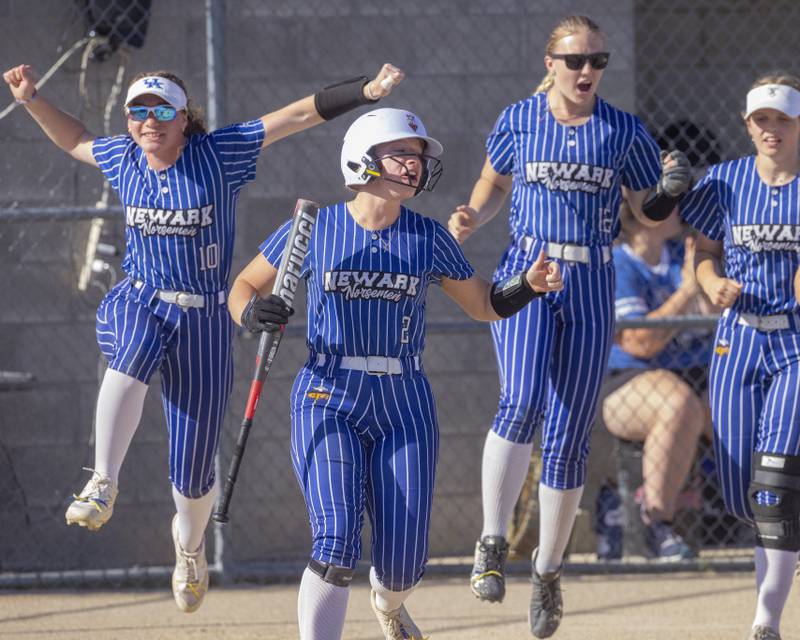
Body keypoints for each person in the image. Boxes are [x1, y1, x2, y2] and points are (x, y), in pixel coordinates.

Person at [2, 61, 403, 613]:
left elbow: (295, 114)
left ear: (184, 118)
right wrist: (31, 99)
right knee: (135, 348)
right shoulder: (123, 157)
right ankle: (102, 481)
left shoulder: (219, 154)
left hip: (205, 319)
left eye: (162, 110)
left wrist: (366, 90)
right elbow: (76, 139)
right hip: (139, 298)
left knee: (192, 474)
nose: (149, 121)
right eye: (138, 111)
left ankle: (188, 547)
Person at [228, 107, 564, 640]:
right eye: (402, 154)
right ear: (364, 158)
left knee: (404, 563)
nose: (414, 165)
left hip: (403, 399)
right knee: (336, 539)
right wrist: (250, 313)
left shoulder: (428, 237)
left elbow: (482, 304)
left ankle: (389, 606)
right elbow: (243, 286)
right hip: (328, 392)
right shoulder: (314, 226)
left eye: (418, 157)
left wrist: (528, 284)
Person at [447, 15, 690, 638]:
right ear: (551, 62)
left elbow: (646, 208)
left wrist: (669, 189)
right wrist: (473, 212)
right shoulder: (519, 119)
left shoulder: (623, 130)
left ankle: (549, 572)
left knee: (569, 433)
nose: (588, 72)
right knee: (522, 400)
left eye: (598, 61)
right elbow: (493, 180)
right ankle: (492, 542)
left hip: (588, 278)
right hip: (529, 271)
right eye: (576, 60)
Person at [680, 73, 800, 640]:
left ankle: (765, 623)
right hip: (737, 339)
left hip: (794, 341)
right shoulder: (725, 181)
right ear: (748, 124)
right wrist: (710, 282)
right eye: (762, 119)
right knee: (742, 492)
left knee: (774, 488)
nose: (771, 129)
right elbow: (702, 251)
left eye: (782, 118)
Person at [602, 204, 714, 561]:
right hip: (628, 380)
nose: (676, 208)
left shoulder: (684, 254)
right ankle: (658, 524)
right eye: (663, 203)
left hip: (696, 372)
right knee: (677, 404)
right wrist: (685, 292)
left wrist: (705, 288)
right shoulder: (619, 263)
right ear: (639, 215)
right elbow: (639, 342)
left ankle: (766, 516)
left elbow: (717, 315)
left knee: (751, 405)